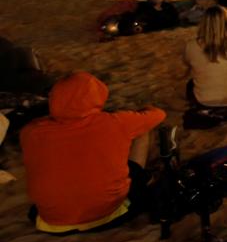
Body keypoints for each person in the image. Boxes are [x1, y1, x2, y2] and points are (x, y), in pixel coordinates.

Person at [20, 72, 165, 233]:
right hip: (108, 214)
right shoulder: (115, 122)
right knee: (141, 132)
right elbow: (159, 114)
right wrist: (140, 111)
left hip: (53, 223)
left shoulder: (31, 131)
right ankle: (141, 176)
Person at [184, 5, 227, 109]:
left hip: (207, 102)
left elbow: (187, 63)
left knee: (191, 84)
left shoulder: (192, 46)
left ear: (203, 23)